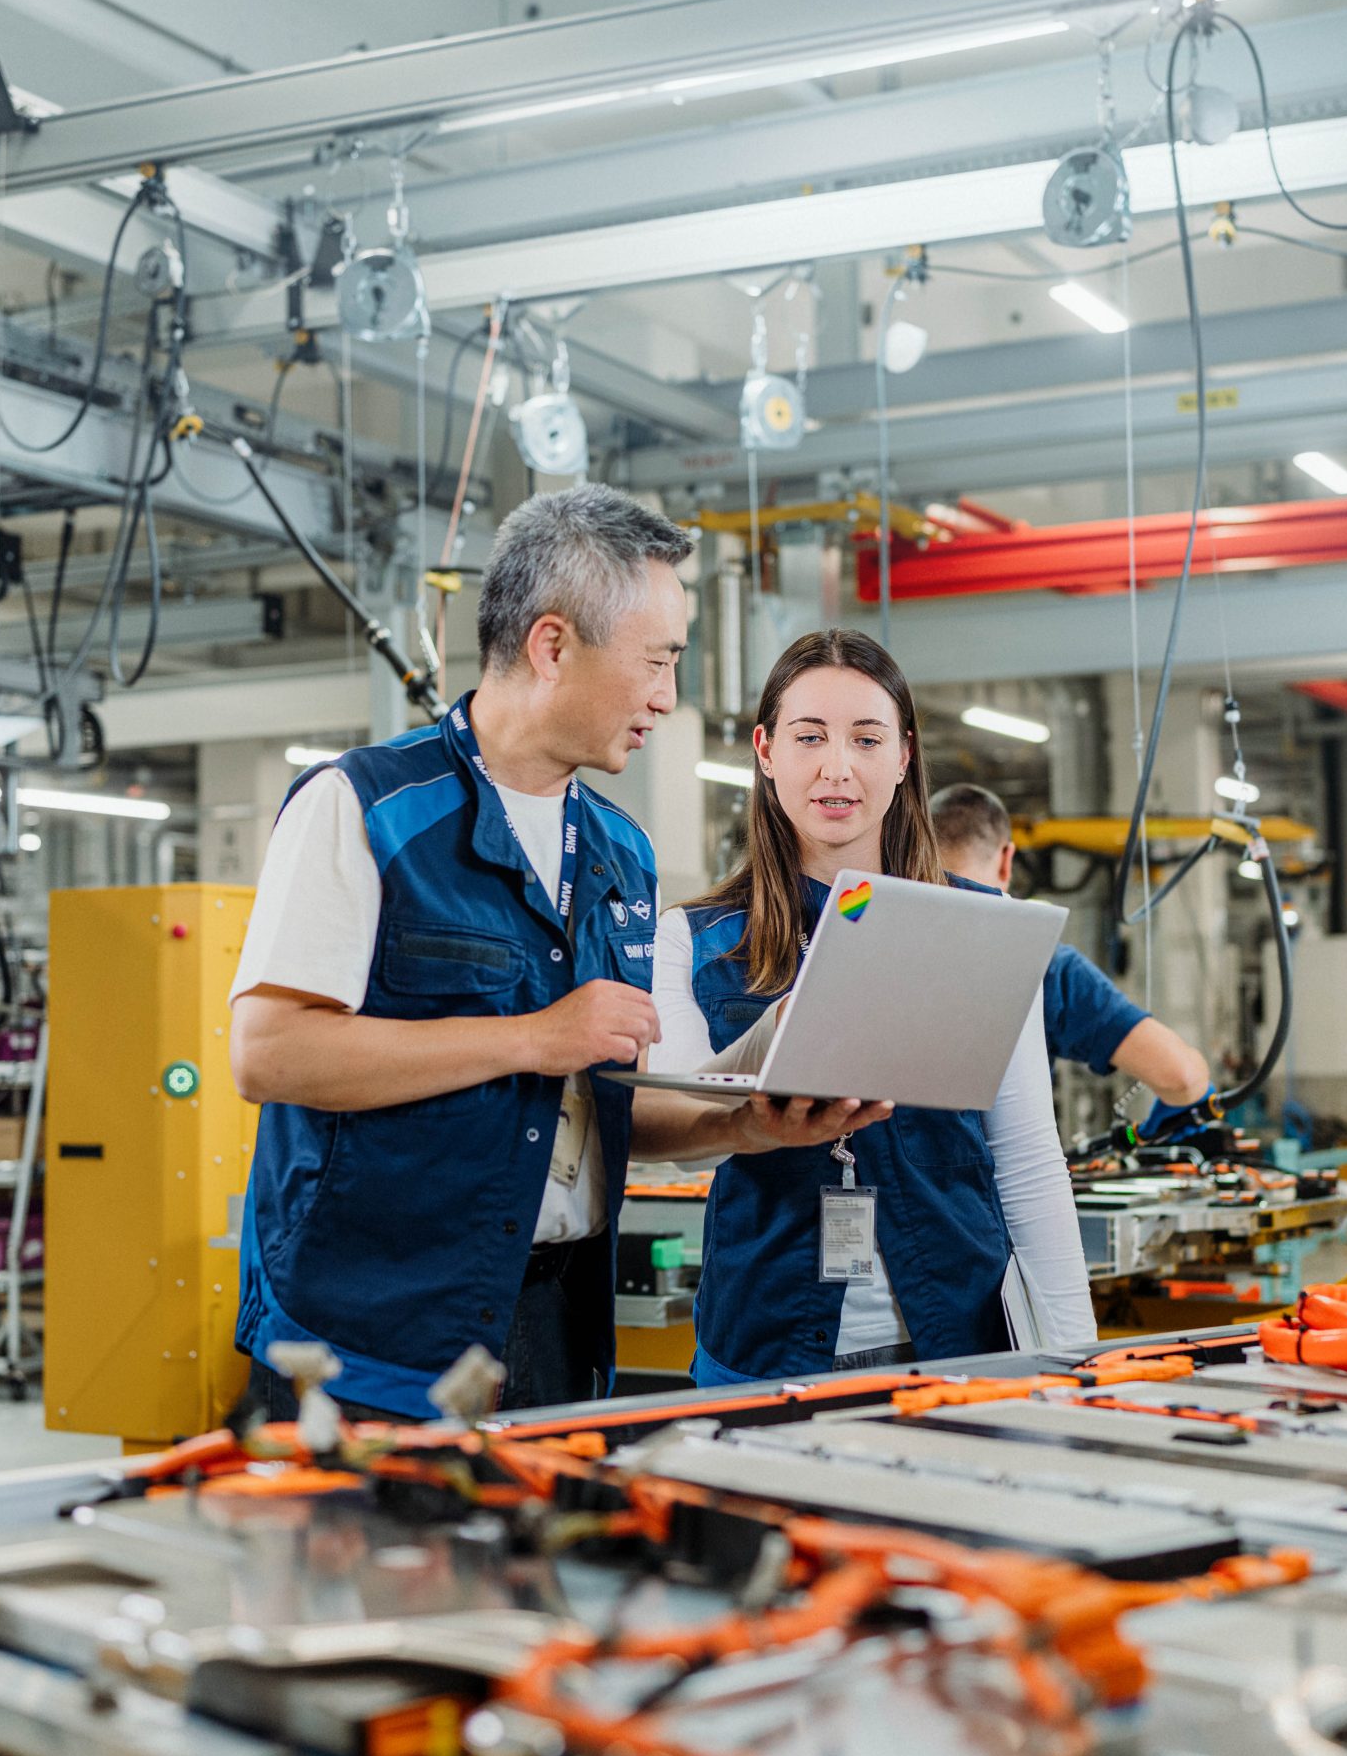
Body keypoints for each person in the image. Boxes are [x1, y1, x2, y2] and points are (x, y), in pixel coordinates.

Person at [227, 486, 876, 1424]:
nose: (667, 696)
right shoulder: (364, 809)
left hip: (557, 1327)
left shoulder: (622, 852)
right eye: (657, 662)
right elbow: (270, 1053)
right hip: (368, 1343)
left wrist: (748, 1125)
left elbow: (605, 1107)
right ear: (553, 645)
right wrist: (533, 1036)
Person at [636, 630, 1095, 1386]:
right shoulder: (692, 938)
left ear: (905, 754)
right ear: (765, 749)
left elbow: (1025, 1157)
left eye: (867, 738)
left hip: (962, 1340)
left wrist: (1074, 1357)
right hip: (764, 1342)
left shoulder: (982, 924)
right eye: (808, 737)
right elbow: (689, 1130)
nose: (836, 767)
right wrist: (763, 1067)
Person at [929, 783, 1212, 1135]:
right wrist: (1197, 1083)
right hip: (1005, 1186)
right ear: (1006, 860)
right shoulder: (1042, 962)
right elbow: (1180, 1076)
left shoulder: (888, 950)